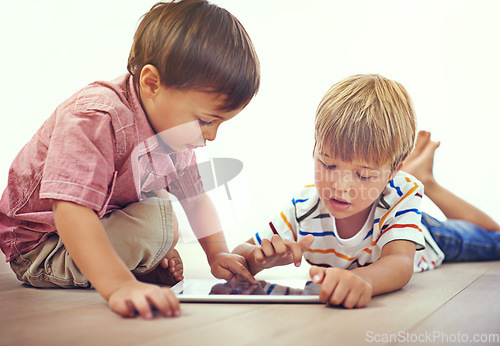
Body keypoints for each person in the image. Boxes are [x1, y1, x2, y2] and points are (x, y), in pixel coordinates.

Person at [0, 0, 259, 320]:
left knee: (163, 216)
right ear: (152, 84)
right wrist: (119, 285)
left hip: (98, 222)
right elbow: (71, 210)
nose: (211, 136)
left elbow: (195, 199)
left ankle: (136, 266)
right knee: (159, 223)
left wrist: (217, 252)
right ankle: (120, 270)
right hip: (43, 245)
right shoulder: (96, 117)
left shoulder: (176, 133)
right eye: (206, 120)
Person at [233, 74, 500, 309]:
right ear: (314, 148)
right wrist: (257, 259)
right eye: (327, 164)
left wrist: (361, 280)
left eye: (363, 175)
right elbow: (241, 252)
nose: (340, 185)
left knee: (494, 239)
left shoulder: (401, 196)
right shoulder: (304, 208)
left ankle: (426, 183)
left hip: (425, 235)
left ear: (394, 170)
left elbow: (399, 262)